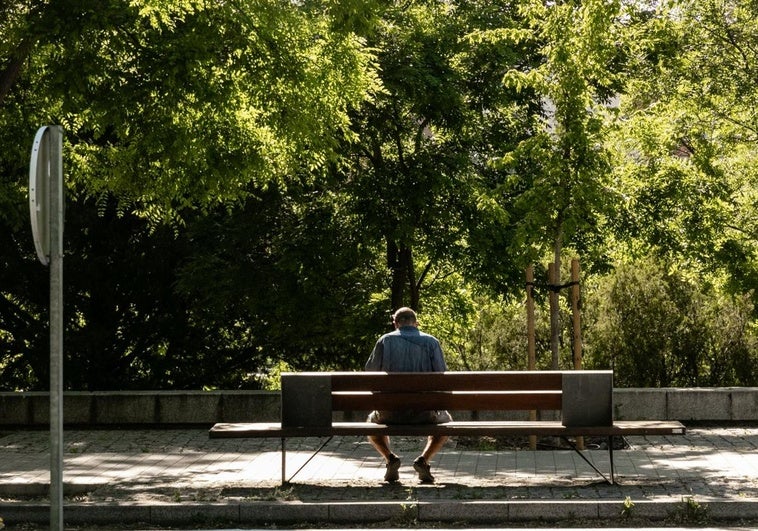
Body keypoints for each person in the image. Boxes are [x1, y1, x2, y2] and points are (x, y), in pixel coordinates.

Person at [364, 307, 451, 484]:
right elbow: (443, 378)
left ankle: (390, 459)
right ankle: (423, 460)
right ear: (416, 323)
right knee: (446, 421)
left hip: (390, 413)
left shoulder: (385, 341)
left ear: (395, 323)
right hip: (424, 414)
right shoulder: (431, 342)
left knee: (371, 422)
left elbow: (369, 374)